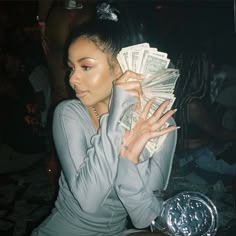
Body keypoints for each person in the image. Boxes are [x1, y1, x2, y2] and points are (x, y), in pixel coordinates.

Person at [31, 3, 178, 236]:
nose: (72, 79)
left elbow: (143, 217)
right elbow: (89, 201)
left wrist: (130, 161)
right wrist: (116, 117)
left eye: (86, 67)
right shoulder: (69, 113)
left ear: (123, 69)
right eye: (71, 68)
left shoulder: (159, 123)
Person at [173, 46, 236, 177]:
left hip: (193, 154)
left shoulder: (180, 95)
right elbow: (220, 133)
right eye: (207, 65)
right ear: (197, 70)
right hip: (199, 158)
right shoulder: (192, 104)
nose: (212, 67)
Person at [37, 0, 96, 105]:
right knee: (89, 87)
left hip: (60, 15)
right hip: (87, 13)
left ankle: (62, 118)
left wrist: (42, 23)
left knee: (59, 90)